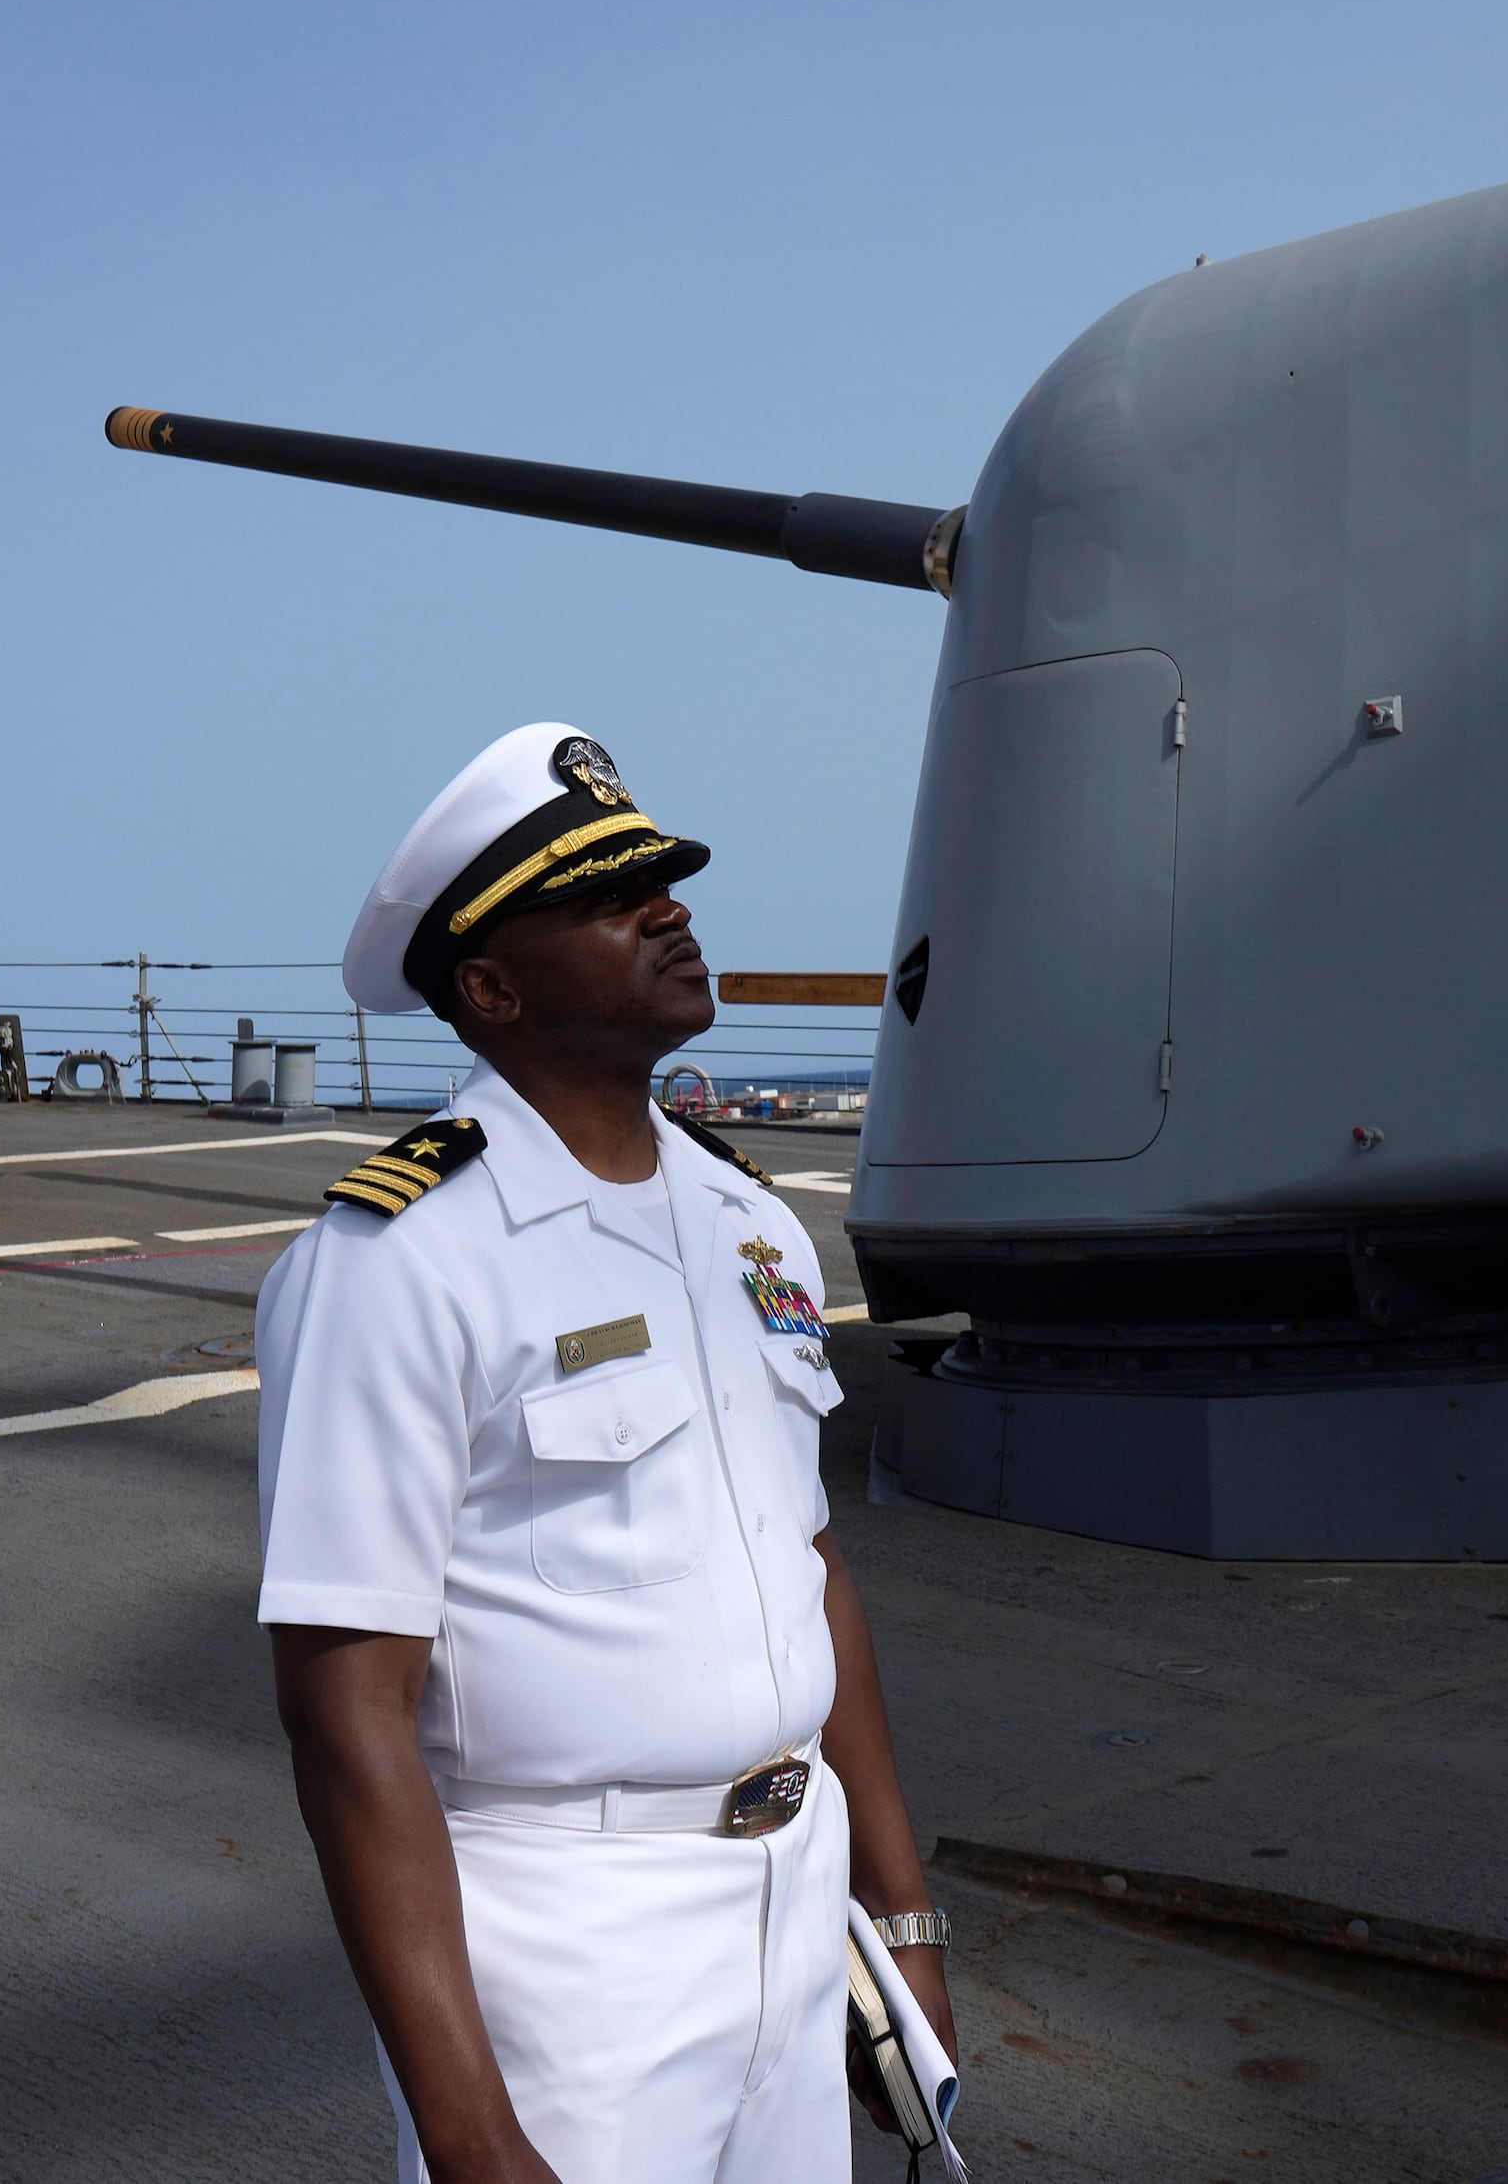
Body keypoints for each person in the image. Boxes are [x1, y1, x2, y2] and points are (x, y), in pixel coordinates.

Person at [258, 723, 956, 2183]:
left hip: (793, 1887)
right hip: (570, 1939)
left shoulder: (746, 1222)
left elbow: (811, 1565)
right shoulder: (402, 1258)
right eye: (608, 894)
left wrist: (898, 1923)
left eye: (665, 879)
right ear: (492, 987)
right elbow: (346, 1710)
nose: (670, 908)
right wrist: (469, 2129)